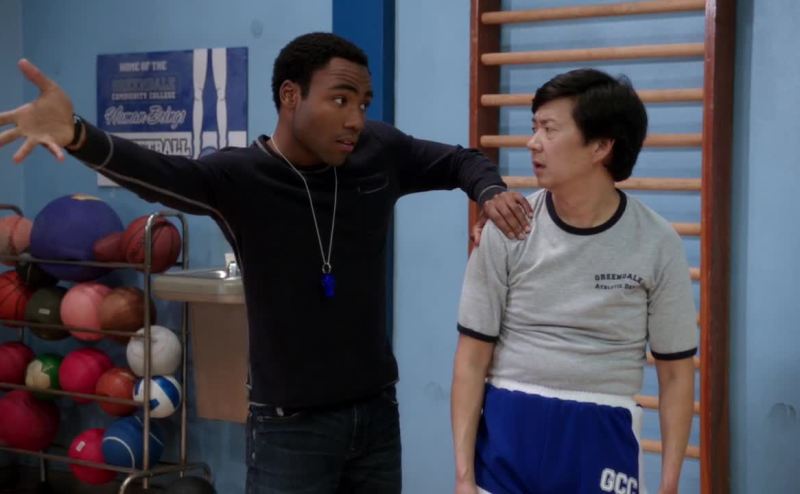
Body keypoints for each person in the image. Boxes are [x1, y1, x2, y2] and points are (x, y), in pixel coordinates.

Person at [0, 32, 533, 494]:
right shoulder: (242, 178)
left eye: (363, 104)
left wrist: (488, 191)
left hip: (375, 415)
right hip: (289, 429)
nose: (355, 120)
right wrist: (78, 134)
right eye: (340, 100)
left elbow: (461, 160)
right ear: (290, 95)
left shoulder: (378, 152)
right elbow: (159, 173)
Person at [451, 69, 697, 494]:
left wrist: (670, 485)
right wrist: (463, 477)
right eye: (534, 128)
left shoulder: (658, 242)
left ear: (600, 146)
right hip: (508, 428)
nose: (533, 143)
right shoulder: (507, 227)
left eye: (549, 129)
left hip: (602, 431)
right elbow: (471, 359)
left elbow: (676, 375)